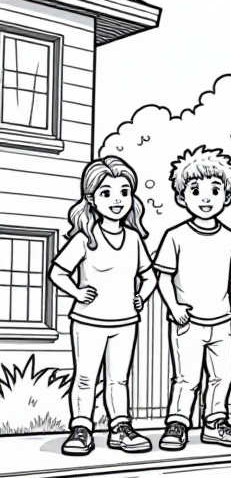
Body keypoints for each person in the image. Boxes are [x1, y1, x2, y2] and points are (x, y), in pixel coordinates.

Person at [50, 157, 156, 456]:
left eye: (124, 191)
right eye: (106, 193)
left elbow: (148, 277)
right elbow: (57, 271)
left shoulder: (134, 239)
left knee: (118, 379)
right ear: (91, 199)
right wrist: (76, 291)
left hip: (125, 321)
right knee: (85, 376)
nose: (117, 200)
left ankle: (120, 427)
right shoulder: (85, 238)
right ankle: (81, 428)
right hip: (89, 321)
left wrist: (142, 296)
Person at [154, 146, 231, 451]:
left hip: (221, 322)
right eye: (196, 190)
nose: (206, 198)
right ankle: (178, 424)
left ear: (227, 196)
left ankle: (215, 423)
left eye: (214, 190)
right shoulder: (175, 236)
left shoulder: (230, 238)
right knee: (187, 377)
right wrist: (174, 307)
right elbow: (163, 276)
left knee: (223, 375)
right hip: (188, 322)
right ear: (182, 197)